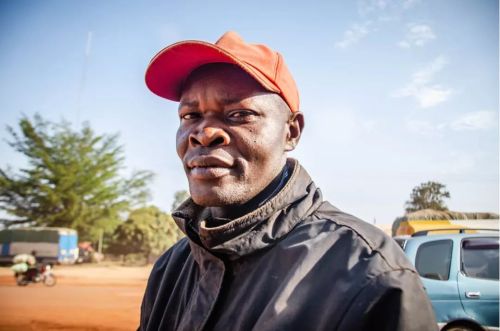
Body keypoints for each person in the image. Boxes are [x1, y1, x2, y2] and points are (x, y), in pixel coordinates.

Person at [139, 31, 437, 331]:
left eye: (239, 113)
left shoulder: (370, 273)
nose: (203, 133)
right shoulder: (170, 268)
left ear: (291, 132)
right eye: (190, 115)